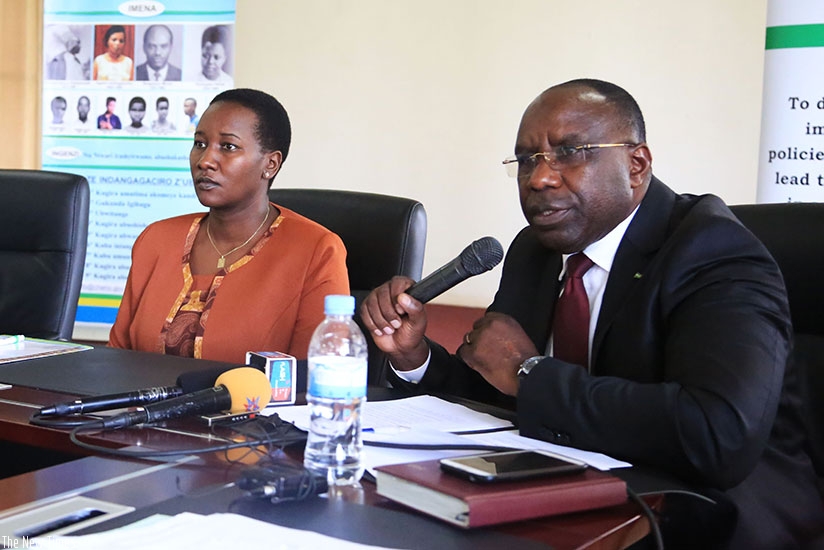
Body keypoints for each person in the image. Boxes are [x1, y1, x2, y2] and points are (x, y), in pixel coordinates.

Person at [360, 79, 824, 548]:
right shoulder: (535, 251)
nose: (539, 178)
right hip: (566, 488)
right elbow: (496, 392)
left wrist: (530, 371)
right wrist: (415, 355)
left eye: (570, 152)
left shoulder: (713, 252)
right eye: (526, 160)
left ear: (636, 165)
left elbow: (716, 435)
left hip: (710, 513)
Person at [108, 88, 349, 363]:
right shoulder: (156, 239)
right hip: (143, 405)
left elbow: (314, 377)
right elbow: (117, 359)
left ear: (270, 164)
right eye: (199, 144)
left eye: (228, 147)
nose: (205, 161)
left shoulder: (316, 250)